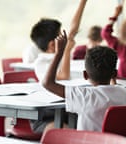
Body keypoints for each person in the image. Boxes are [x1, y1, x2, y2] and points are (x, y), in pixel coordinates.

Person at [42, 31, 126, 132]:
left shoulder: (84, 96)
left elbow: (47, 83)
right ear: (115, 74)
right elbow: (114, 89)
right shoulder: (124, 94)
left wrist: (59, 53)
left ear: (85, 75)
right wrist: (112, 78)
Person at [29, 0, 88, 133]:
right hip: (47, 117)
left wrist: (82, 3)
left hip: (67, 110)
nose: (64, 38)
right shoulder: (41, 63)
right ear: (52, 44)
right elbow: (63, 77)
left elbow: (73, 31)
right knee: (74, 134)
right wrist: (65, 52)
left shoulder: (60, 54)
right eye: (60, 36)